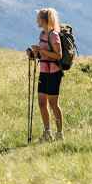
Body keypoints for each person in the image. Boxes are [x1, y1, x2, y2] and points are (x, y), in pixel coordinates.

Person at [26, 7, 64, 142]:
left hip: (54, 72)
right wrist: (34, 53)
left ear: (44, 20)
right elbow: (43, 53)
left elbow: (58, 55)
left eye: (38, 18)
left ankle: (59, 133)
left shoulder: (54, 35)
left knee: (53, 104)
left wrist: (41, 50)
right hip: (43, 71)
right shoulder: (42, 34)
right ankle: (47, 132)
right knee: (42, 103)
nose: (37, 20)